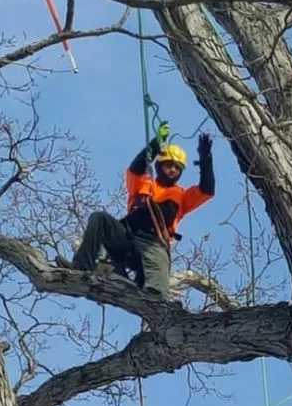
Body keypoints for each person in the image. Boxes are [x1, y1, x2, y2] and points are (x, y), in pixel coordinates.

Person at [57, 124, 215, 298]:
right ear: (160, 166)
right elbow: (136, 167)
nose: (173, 170)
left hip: (154, 244)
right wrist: (157, 143)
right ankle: (81, 269)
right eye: (169, 165)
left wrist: (206, 161)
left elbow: (207, 190)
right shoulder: (144, 184)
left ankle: (157, 304)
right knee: (99, 218)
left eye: (177, 168)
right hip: (128, 239)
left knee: (156, 290)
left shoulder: (182, 196)